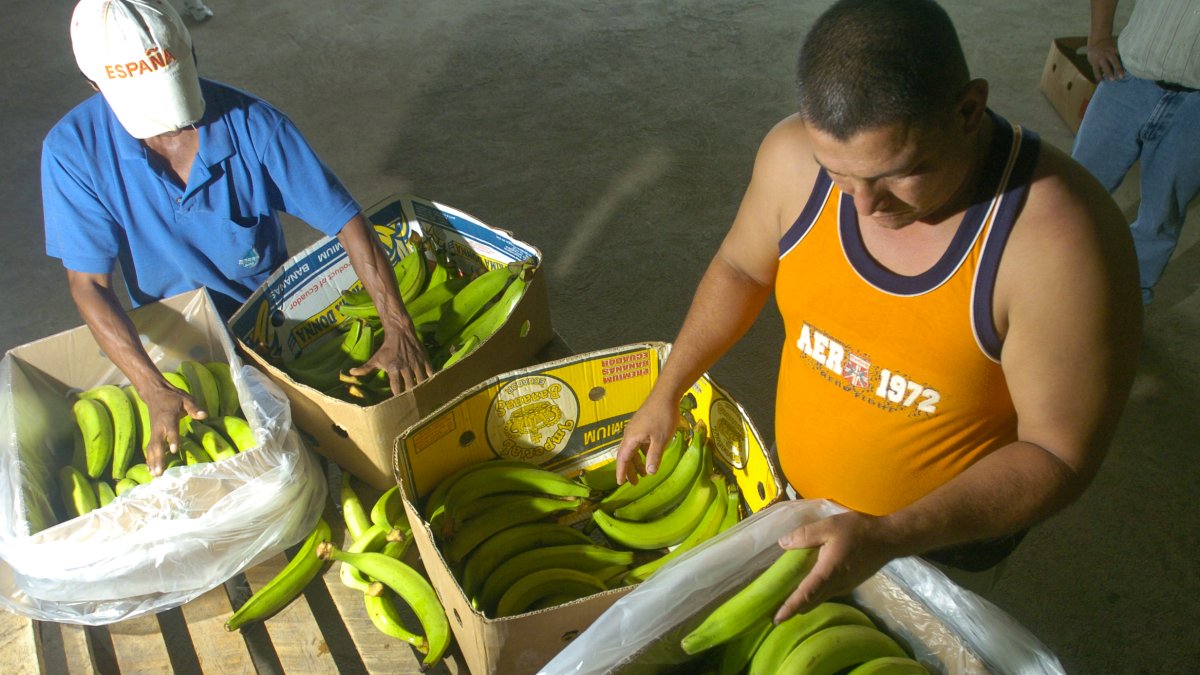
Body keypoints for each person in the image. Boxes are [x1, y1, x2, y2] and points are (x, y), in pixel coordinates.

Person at [614, 0, 1142, 622]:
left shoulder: (1058, 242)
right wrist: (669, 386)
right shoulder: (791, 158)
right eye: (840, 175)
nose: (866, 207)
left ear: (969, 109)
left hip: (939, 549)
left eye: (900, 173)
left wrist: (889, 536)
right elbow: (742, 267)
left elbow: (1058, 455)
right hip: (793, 499)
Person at [41, 0, 431, 476]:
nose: (173, 126)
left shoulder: (254, 125)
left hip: (269, 325)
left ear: (192, 54)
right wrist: (150, 385)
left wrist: (397, 324)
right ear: (94, 85)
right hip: (181, 337)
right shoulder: (73, 152)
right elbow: (90, 285)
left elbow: (347, 221)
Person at [1072, 0, 1200, 306]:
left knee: (1160, 216)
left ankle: (1125, 306)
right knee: (1075, 192)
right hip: (1128, 79)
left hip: (1195, 111)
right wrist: (1099, 38)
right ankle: (1040, 281)